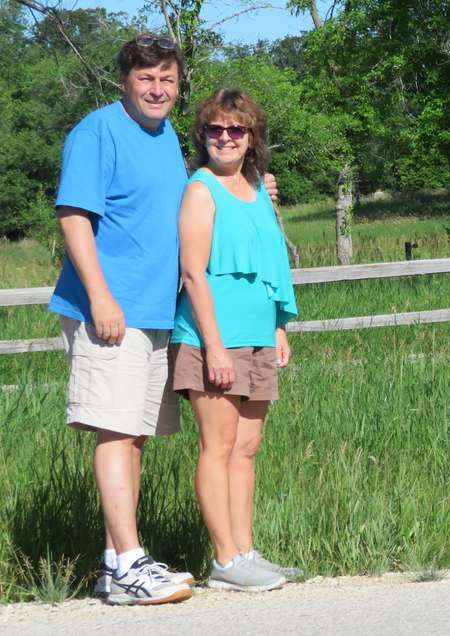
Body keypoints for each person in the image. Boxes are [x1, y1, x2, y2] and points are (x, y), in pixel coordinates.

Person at [49, 35, 279, 605]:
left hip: (155, 311)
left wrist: (256, 186)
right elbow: (73, 216)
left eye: (167, 80)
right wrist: (100, 297)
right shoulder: (98, 132)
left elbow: (199, 198)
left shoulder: (163, 140)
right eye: (146, 78)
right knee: (116, 429)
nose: (157, 89)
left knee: (135, 435)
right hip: (112, 308)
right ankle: (130, 563)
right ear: (124, 80)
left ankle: (116, 565)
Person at [169, 88, 300, 592]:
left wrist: (278, 326)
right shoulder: (201, 190)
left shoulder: (258, 188)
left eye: (236, 129)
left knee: (247, 448)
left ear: (251, 137)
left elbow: (272, 263)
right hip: (213, 340)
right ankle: (224, 560)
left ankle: (246, 552)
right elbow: (193, 273)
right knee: (218, 447)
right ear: (202, 135)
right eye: (215, 129)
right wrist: (215, 347)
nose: (225, 137)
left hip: (258, 336)